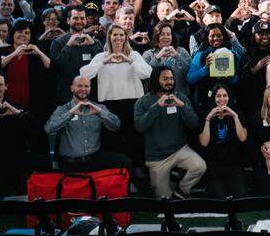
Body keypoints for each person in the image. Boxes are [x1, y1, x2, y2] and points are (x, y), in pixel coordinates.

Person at [0, 71, 50, 199]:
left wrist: (19, 114)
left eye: (0, 85)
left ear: (6, 86)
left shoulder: (15, 108)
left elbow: (37, 130)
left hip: (14, 165)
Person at [80, 23, 153, 168]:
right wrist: (103, 62)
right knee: (112, 140)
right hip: (109, 103)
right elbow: (84, 74)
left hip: (133, 102)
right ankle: (114, 174)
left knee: (134, 138)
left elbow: (148, 73)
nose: (118, 38)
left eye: (121, 35)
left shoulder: (134, 55)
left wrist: (129, 61)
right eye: (115, 35)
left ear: (126, 37)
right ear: (109, 37)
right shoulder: (101, 56)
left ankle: (136, 171)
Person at [134, 66, 206, 199]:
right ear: (156, 80)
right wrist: (156, 106)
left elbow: (194, 123)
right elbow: (139, 127)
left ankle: (181, 189)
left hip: (180, 149)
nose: (170, 82)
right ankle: (172, 178)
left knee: (200, 166)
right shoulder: (143, 101)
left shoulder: (180, 97)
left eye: (172, 78)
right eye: (165, 79)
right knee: (163, 200)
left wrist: (182, 106)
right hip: (157, 157)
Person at [44, 76, 129, 172]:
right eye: (79, 86)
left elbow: (116, 125)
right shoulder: (62, 110)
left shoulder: (98, 108)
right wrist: (70, 114)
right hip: (71, 163)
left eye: (86, 86)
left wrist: (100, 112)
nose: (83, 89)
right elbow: (49, 129)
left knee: (125, 162)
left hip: (95, 159)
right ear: (72, 88)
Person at [197, 83, 248, 198]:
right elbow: (204, 143)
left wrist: (234, 116)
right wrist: (208, 119)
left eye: (225, 96)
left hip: (233, 162)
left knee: (239, 195)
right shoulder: (206, 114)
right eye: (218, 96)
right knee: (219, 198)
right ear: (213, 98)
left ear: (229, 97)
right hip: (214, 163)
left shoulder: (238, 113)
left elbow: (243, 137)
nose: (222, 99)